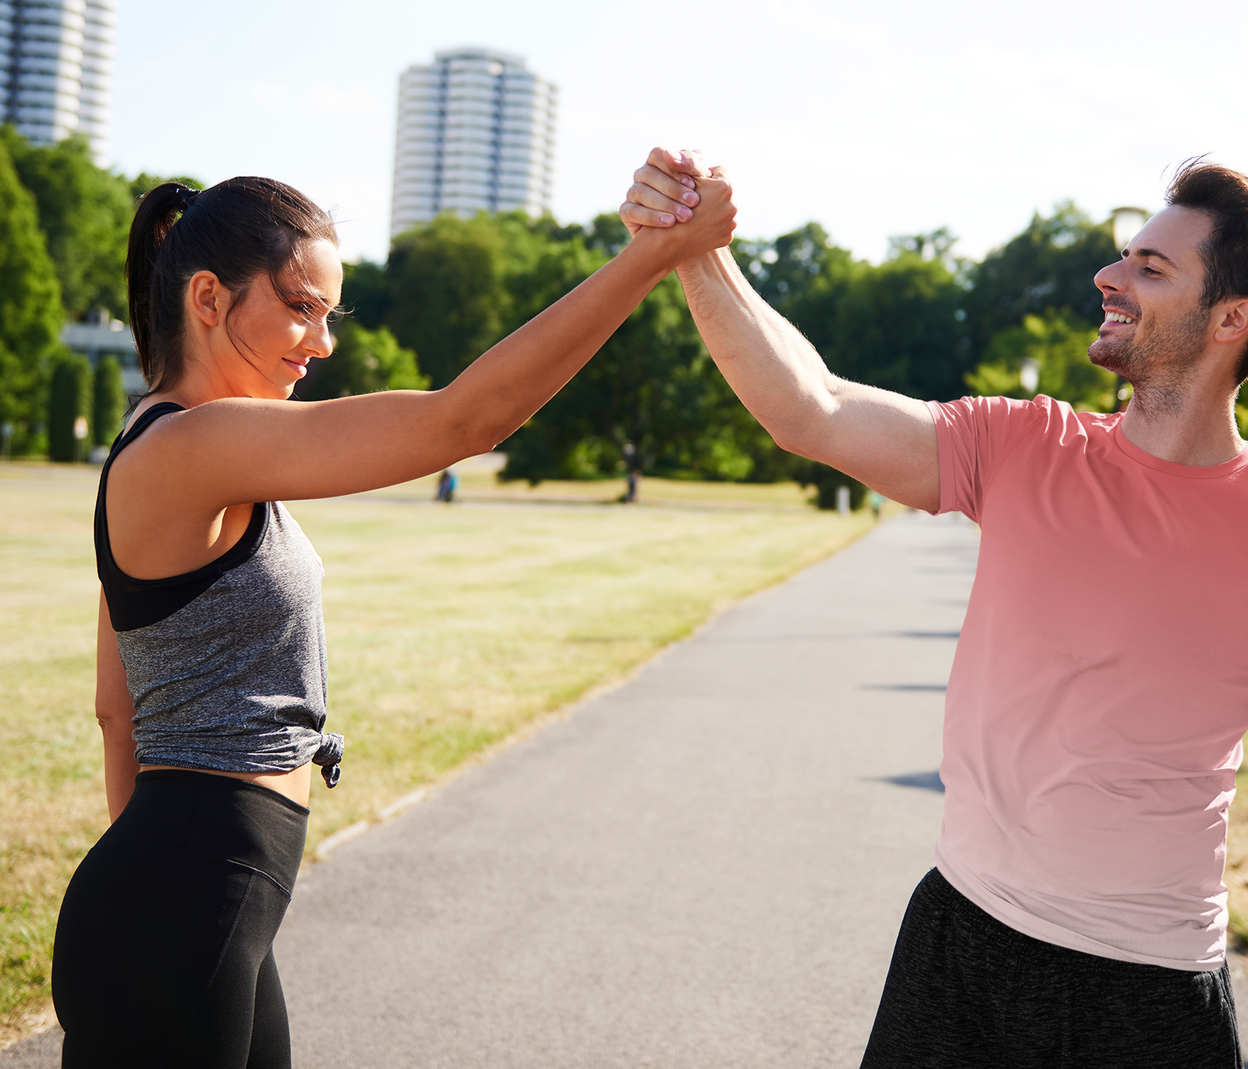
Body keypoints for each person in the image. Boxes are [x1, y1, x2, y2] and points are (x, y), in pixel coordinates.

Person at [623, 152, 1248, 1069]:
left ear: (1231, 319)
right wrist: (693, 252)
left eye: (1150, 267)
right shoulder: (1026, 444)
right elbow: (814, 408)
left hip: (1147, 994)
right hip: (959, 939)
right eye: (1124, 256)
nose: (1107, 276)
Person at [51, 170, 735, 1068]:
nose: (322, 341)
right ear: (209, 298)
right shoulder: (192, 445)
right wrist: (651, 259)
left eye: (331, 314)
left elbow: (116, 711)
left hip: (196, 895)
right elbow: (465, 418)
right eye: (302, 307)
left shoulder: (159, 444)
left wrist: (162, 897)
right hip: (191, 892)